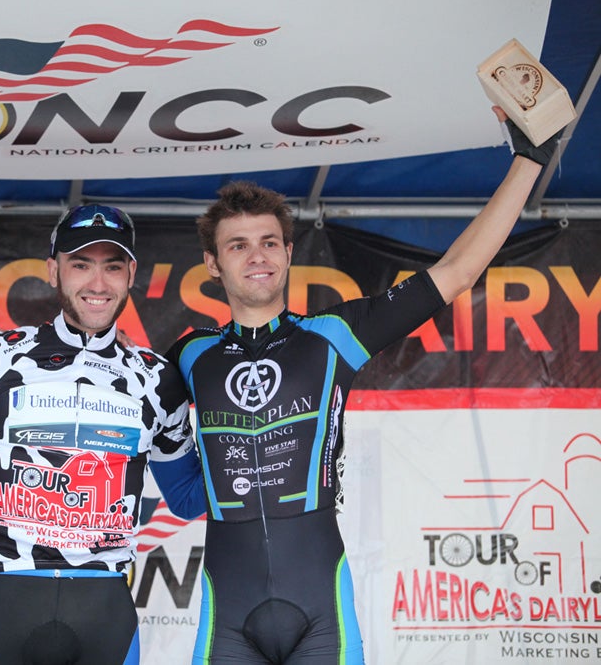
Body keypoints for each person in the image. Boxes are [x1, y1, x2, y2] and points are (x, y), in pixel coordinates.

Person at [165, 110, 564, 665]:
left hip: (319, 605)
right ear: (212, 263)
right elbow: (153, 456)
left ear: (286, 252)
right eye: (237, 245)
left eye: (269, 242)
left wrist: (531, 160)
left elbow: (456, 272)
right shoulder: (189, 355)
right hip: (226, 608)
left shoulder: (333, 337)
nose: (257, 255)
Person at [0, 204, 206, 664]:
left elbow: (186, 497)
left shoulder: (156, 380)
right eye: (80, 265)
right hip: (9, 599)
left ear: (131, 274)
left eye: (112, 267)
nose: (97, 284)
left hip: (104, 610)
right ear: (54, 271)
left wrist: (247, 446)